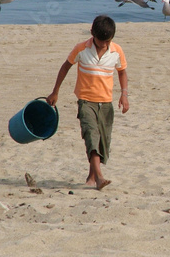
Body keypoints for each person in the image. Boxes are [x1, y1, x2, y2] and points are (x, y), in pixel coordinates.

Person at [46, 15, 129, 190]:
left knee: (102, 141)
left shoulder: (116, 51)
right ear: (92, 34)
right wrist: (55, 91)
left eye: (108, 41)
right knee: (91, 134)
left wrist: (124, 95)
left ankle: (91, 177)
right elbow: (65, 67)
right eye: (101, 41)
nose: (104, 45)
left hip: (106, 103)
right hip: (86, 101)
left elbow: (122, 72)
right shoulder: (81, 49)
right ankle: (99, 177)